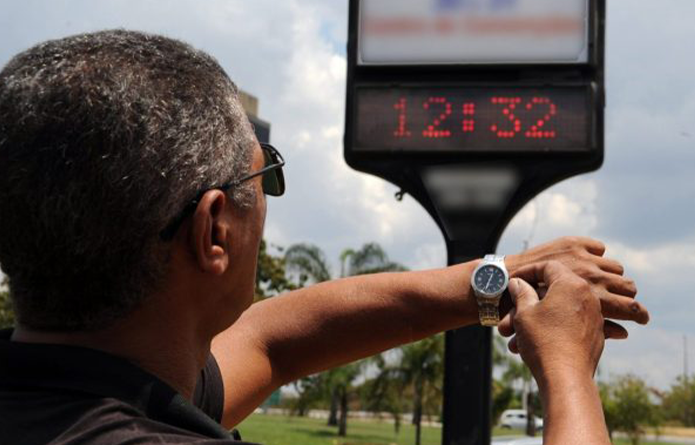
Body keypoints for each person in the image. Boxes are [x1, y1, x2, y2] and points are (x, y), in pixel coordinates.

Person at [0, 30, 649, 444]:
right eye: (265, 172)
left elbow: (275, 341)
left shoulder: (88, 386)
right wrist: (567, 367)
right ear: (215, 228)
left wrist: (500, 274)